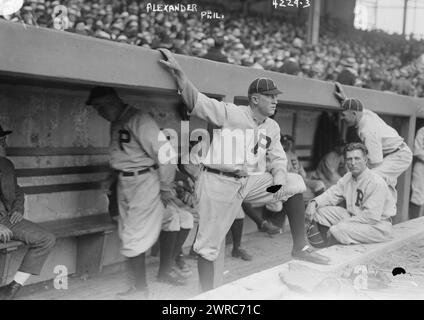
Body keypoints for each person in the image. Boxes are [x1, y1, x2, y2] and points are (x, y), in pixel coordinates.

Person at [158, 49, 330, 291]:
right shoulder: (232, 113)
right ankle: (207, 296)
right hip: (217, 183)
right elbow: (198, 102)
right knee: (207, 247)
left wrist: (278, 182)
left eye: (275, 97)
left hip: (248, 182)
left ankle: (299, 247)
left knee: (294, 183)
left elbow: (278, 159)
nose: (275, 100)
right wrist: (179, 74)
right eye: (269, 96)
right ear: (255, 99)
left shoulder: (272, 126)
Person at [86, 86, 177, 298]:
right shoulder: (118, 121)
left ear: (113, 102)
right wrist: (110, 177)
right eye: (97, 108)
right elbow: (123, 156)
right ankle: (147, 281)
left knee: (133, 236)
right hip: (125, 183)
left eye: (101, 107)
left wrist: (165, 187)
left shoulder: (139, 119)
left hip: (144, 181)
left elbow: (167, 155)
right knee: (133, 232)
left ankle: (140, 290)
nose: (99, 112)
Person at [334, 82, 413, 211]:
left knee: (372, 178)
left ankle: (378, 214)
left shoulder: (367, 130)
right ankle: (386, 213)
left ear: (354, 114)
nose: (342, 118)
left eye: (344, 115)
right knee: (379, 180)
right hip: (393, 153)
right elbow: (357, 107)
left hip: (398, 155)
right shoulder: (364, 114)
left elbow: (376, 163)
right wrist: (345, 99)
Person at [0, 126, 56, 300]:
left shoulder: (6, 164)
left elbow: (17, 191)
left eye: (3, 140)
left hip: (8, 219)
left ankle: (12, 288)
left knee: (46, 239)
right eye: (0, 140)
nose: (4, 143)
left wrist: (17, 209)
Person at [305, 143, 394, 247]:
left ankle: (333, 250)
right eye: (349, 159)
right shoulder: (348, 177)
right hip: (355, 217)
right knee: (319, 212)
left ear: (365, 160)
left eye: (357, 158)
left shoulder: (375, 181)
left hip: (377, 226)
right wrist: (314, 202)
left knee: (338, 229)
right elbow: (332, 194)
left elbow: (371, 217)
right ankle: (326, 247)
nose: (352, 163)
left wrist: (342, 223)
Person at [410, 126, 424, 219]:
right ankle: (414, 223)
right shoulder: (422, 130)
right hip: (421, 165)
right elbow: (417, 151)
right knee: (418, 195)